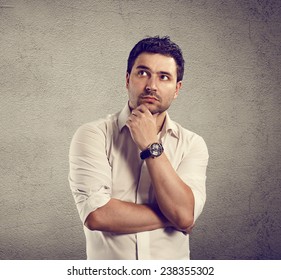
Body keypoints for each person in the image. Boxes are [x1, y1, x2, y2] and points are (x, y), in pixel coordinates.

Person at [68, 36, 209, 260]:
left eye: (164, 77)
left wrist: (151, 145)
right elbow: (97, 215)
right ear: (127, 79)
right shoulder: (93, 135)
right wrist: (174, 217)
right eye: (143, 73)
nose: (152, 86)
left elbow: (184, 215)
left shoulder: (193, 144)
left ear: (177, 89)